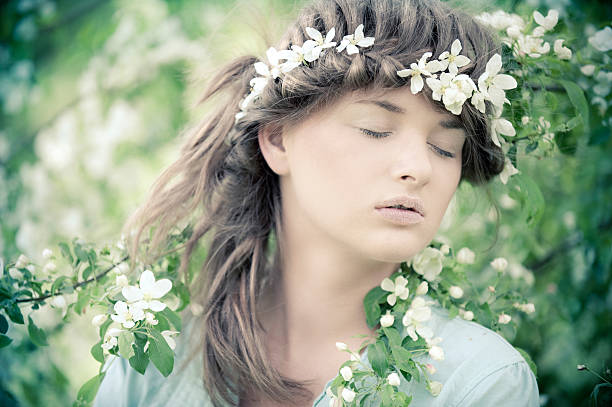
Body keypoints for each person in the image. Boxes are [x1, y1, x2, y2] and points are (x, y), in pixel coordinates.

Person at [95, 0, 539, 406]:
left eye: (445, 147)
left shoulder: (480, 382)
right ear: (277, 139)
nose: (418, 168)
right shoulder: (155, 357)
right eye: (375, 129)